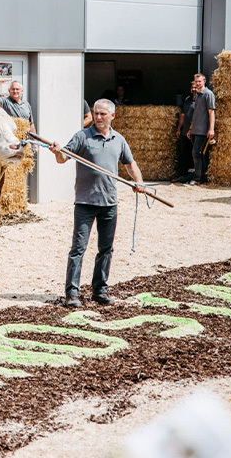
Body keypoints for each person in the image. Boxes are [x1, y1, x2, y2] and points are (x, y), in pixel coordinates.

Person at [49, 99, 145, 307]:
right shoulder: (82, 137)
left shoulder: (118, 140)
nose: (99, 117)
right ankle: (72, 294)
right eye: (96, 113)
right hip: (85, 201)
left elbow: (130, 164)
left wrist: (138, 182)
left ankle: (99, 290)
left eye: (103, 114)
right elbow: (63, 158)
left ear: (113, 116)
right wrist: (58, 151)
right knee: (78, 248)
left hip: (109, 203)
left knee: (106, 248)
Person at [186, 73, 215, 185]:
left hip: (203, 130)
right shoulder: (197, 94)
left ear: (204, 81)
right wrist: (190, 128)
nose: (197, 83)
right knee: (199, 154)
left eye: (199, 81)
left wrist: (211, 129)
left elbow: (211, 112)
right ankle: (202, 178)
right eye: (196, 81)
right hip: (195, 129)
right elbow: (195, 113)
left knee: (196, 153)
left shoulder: (208, 94)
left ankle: (197, 179)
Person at [173, 81, 198, 183]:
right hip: (184, 133)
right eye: (192, 87)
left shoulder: (200, 101)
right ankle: (183, 175)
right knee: (184, 155)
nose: (194, 89)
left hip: (195, 133)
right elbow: (183, 116)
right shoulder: (187, 100)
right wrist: (179, 128)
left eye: (195, 87)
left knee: (194, 155)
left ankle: (194, 177)